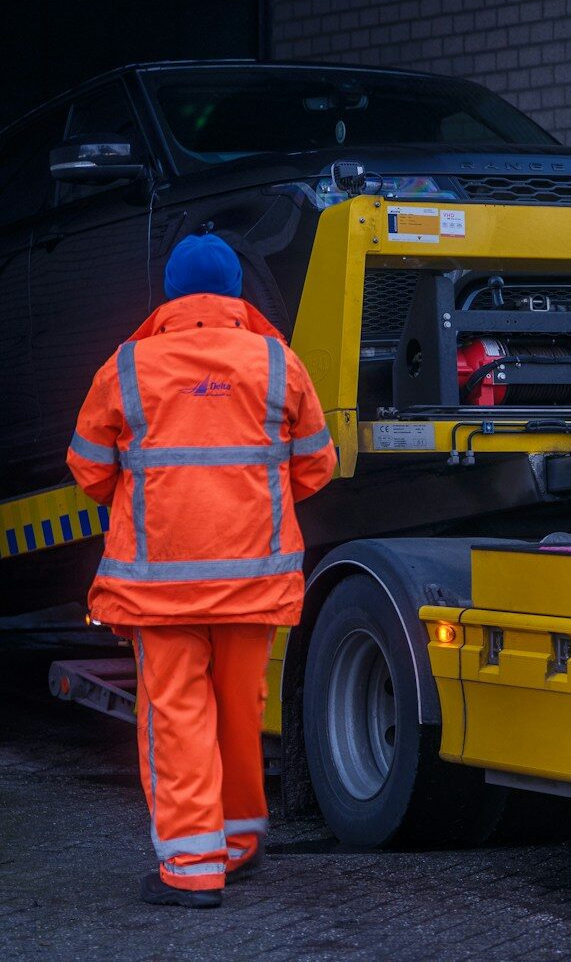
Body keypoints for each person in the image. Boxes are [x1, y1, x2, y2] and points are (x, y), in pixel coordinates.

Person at [67, 233, 336, 908]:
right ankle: (239, 844)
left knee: (177, 718)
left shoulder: (128, 367)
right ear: (236, 294)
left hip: (160, 587)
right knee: (240, 716)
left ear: (172, 295)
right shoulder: (277, 363)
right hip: (253, 580)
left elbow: (89, 469)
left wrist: (151, 500)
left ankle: (191, 868)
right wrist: (251, 500)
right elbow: (317, 466)